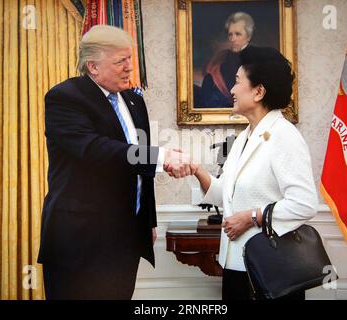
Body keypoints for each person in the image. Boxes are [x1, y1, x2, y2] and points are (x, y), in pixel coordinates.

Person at [37, 25, 195, 299]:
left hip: (125, 241)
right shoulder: (65, 97)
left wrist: (148, 220)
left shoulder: (134, 100)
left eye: (130, 59)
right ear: (93, 66)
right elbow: (96, 150)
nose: (129, 67)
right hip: (79, 243)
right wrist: (161, 157)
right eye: (120, 61)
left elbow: (139, 165)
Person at [192, 46, 318, 300]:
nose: (231, 90)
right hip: (237, 265)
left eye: (237, 82)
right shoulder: (243, 139)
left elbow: (304, 204)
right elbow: (223, 195)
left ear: (259, 91)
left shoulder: (285, 136)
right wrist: (195, 169)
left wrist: (252, 217)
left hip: (270, 271)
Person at [198, 12, 254, 108]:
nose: (232, 39)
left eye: (237, 34)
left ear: (248, 37)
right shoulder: (220, 58)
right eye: (230, 35)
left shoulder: (257, 57)